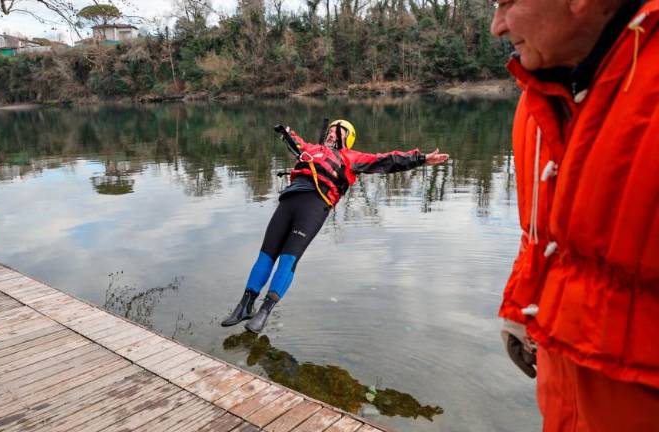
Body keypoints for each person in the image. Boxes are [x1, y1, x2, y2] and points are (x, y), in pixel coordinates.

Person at [491, 0, 659, 430]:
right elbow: (543, 236)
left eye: (507, 3)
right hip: (564, 403)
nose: (497, 26)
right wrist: (522, 306)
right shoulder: (536, 102)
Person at [221, 120, 449, 333]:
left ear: (347, 138)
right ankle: (245, 304)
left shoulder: (353, 158)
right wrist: (286, 131)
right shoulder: (310, 149)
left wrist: (420, 159)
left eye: (337, 132)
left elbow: (388, 160)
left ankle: (264, 311)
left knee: (288, 259)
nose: (331, 134)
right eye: (329, 131)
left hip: (314, 206)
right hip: (289, 201)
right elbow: (296, 141)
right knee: (266, 254)